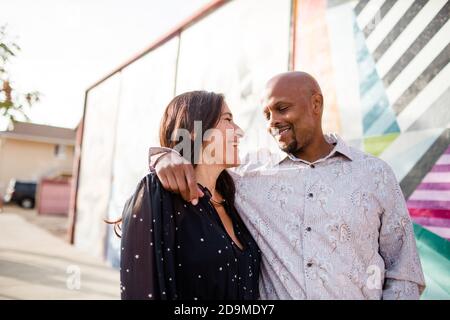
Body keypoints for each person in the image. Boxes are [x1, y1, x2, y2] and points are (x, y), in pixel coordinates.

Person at [149, 72, 426, 299]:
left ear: (316, 104)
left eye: (282, 109)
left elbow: (403, 270)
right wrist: (163, 156)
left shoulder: (375, 175)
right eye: (267, 114)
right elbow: (201, 163)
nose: (273, 122)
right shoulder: (246, 175)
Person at [115, 91, 261, 300]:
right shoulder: (158, 193)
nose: (239, 132)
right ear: (195, 129)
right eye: (228, 120)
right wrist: (160, 156)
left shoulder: (235, 199)